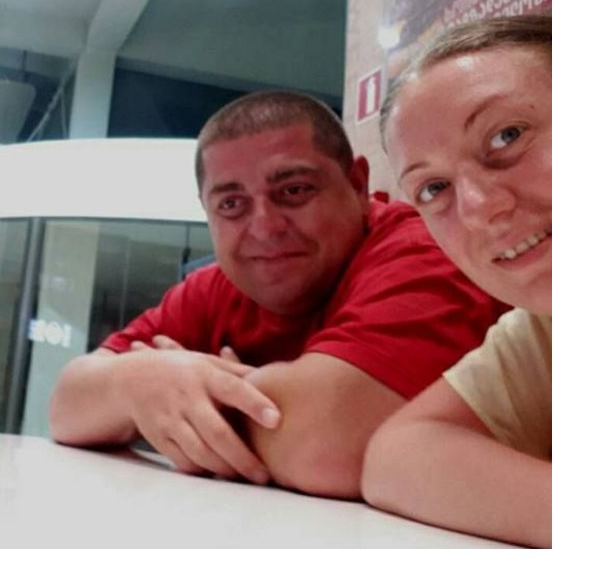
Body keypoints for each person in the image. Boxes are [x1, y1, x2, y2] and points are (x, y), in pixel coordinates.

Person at [49, 90, 509, 498]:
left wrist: (180, 404)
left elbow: (322, 445)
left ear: (357, 184)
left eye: (294, 190)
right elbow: (68, 406)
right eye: (231, 204)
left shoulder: (426, 251)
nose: (265, 228)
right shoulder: (217, 287)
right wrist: (142, 380)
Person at [362, 14, 551, 547]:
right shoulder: (546, 332)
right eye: (433, 188)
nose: (478, 208)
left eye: (507, 136)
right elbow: (396, 456)